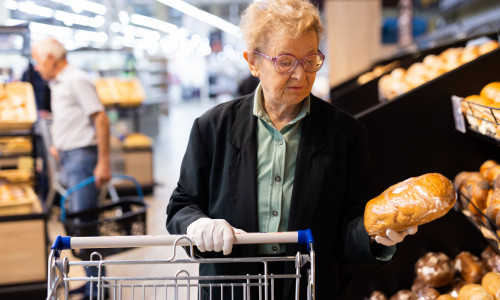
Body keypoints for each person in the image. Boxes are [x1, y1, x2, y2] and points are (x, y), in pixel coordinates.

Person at [166, 0, 417, 299]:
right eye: (285, 61)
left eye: (310, 60)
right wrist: (199, 224)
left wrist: (378, 236)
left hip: (310, 288)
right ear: (253, 62)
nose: (300, 74)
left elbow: (350, 225)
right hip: (233, 288)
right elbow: (181, 205)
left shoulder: (344, 133)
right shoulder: (213, 127)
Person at [31, 37, 111, 300]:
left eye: (38, 60)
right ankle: (92, 283)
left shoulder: (76, 79)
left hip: (82, 159)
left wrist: (104, 162)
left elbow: (100, 119)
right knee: (77, 226)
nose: (37, 66)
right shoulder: (58, 83)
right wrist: (58, 144)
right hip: (70, 157)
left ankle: (99, 289)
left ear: (52, 58)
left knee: (85, 226)